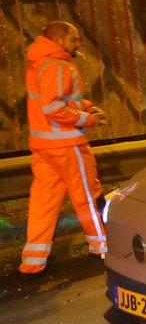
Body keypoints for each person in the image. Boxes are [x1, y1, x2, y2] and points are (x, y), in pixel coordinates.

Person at [20, 21, 109, 276]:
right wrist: (88, 119)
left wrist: (87, 105)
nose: (78, 45)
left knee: (43, 203)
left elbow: (61, 100)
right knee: (88, 197)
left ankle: (33, 262)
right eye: (74, 40)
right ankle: (101, 248)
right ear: (59, 40)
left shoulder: (40, 63)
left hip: (44, 147)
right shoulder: (57, 66)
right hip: (68, 145)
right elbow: (55, 108)